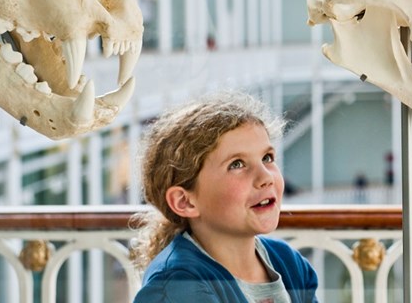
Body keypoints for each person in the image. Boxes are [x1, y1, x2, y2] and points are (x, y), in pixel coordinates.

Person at [131, 91, 318, 303]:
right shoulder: (176, 286)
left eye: (267, 158)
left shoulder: (288, 261)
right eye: (237, 164)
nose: (266, 177)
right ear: (185, 202)